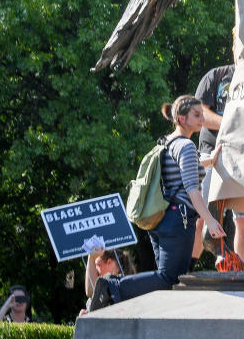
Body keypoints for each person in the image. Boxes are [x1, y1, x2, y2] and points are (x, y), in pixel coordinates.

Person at [88, 95, 226, 310]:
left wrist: (210, 161)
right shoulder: (187, 146)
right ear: (181, 118)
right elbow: (191, 188)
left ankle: (119, 296)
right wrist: (210, 221)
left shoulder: (167, 142)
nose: (202, 119)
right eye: (196, 115)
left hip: (161, 218)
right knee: (169, 278)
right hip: (179, 220)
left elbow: (180, 173)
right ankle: (112, 288)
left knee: (167, 278)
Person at [194, 64, 244, 266]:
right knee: (202, 218)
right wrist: (233, 125)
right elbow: (200, 113)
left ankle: (242, 276)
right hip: (214, 153)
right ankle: (186, 273)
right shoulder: (216, 75)